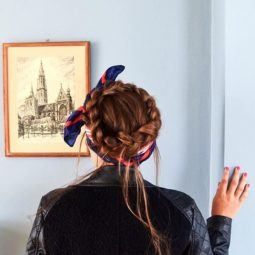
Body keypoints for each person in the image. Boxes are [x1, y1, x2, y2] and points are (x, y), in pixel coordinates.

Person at [25, 65, 250, 255]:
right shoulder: (183, 209)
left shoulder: (52, 206)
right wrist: (222, 219)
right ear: (147, 143)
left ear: (90, 139)